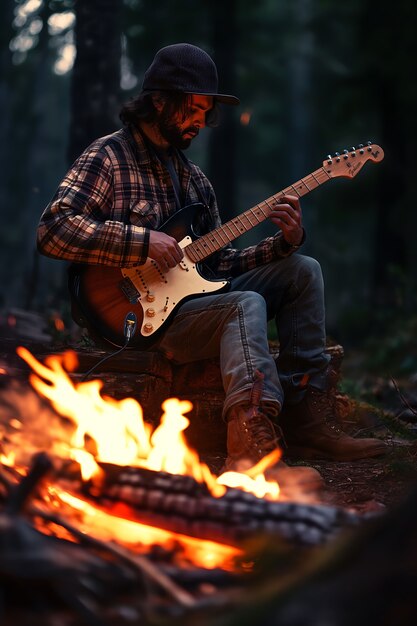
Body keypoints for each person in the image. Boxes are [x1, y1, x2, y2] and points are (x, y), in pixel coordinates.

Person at [37, 43, 386, 487]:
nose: (200, 120)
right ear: (158, 100)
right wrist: (138, 241)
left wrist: (284, 242)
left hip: (194, 308)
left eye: (205, 111)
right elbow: (53, 229)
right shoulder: (107, 157)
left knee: (303, 269)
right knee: (244, 305)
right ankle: (249, 450)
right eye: (192, 108)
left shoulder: (194, 181)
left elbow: (219, 265)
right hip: (133, 320)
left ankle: (308, 421)